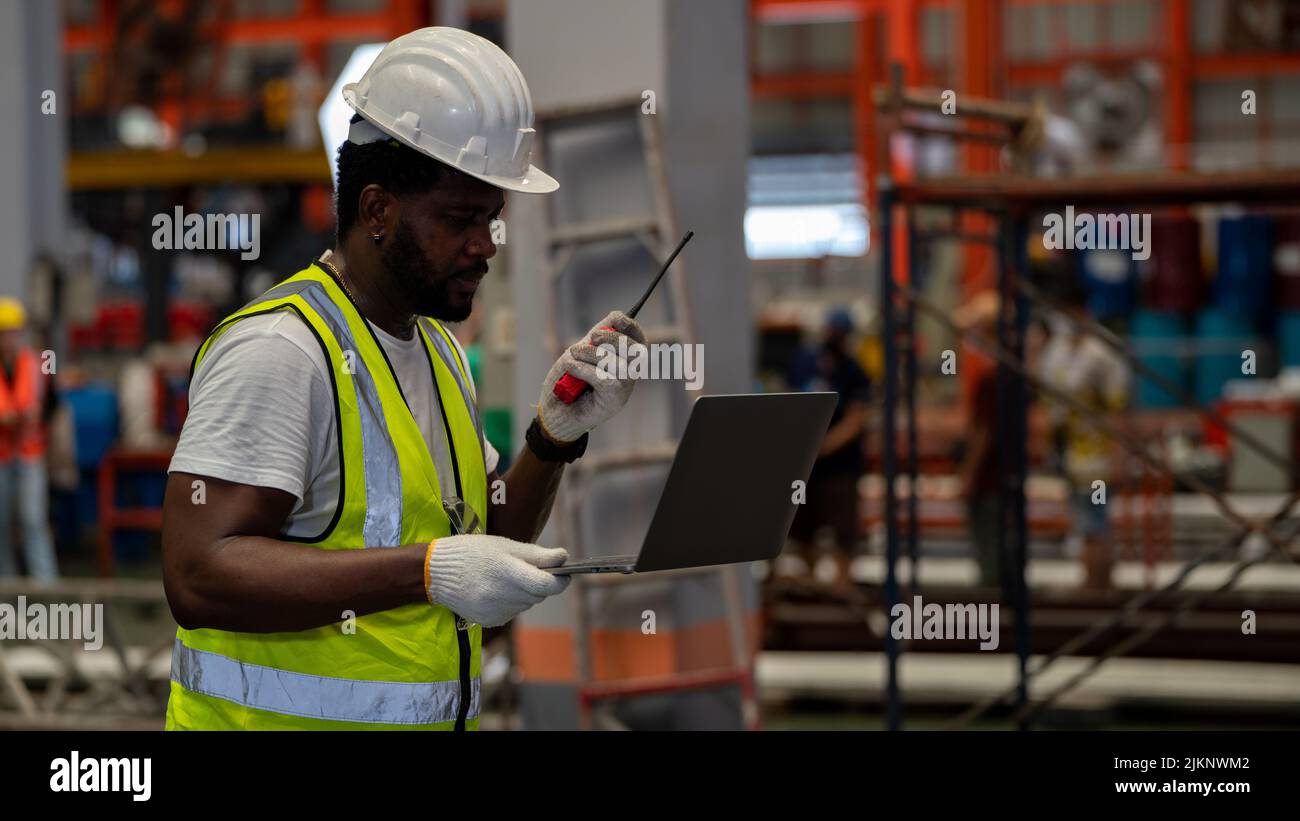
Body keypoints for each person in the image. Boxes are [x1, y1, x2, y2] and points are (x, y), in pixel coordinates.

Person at [162, 28, 646, 730]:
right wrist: (425, 570)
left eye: (492, 218)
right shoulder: (284, 350)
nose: (485, 244)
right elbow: (197, 574)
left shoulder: (439, 352)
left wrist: (553, 437)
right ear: (378, 211)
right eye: (460, 219)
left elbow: (483, 544)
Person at [1039, 282, 1129, 591]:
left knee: (1095, 524)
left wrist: (1118, 457)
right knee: (1083, 523)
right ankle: (1095, 585)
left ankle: (1097, 588)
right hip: (1068, 455)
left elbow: (1117, 411)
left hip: (1098, 460)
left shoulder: (1101, 354)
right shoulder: (1057, 353)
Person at [783, 308, 870, 592]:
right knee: (804, 524)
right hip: (806, 466)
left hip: (839, 466)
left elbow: (857, 418)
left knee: (843, 525)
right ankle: (811, 583)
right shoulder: (805, 362)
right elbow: (789, 401)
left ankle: (841, 586)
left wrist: (824, 445)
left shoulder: (854, 371)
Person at [0, 298, 57, 580]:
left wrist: (33, 416)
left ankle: (46, 588)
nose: (8, 339)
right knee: (1, 523)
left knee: (33, 520)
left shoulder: (35, 364)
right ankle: (5, 587)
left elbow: (50, 404)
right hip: (1, 456)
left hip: (29, 453)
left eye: (12, 332)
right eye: (3, 333)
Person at [954, 292, 1003, 590]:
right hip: (999, 474)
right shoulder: (1004, 373)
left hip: (990, 476)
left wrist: (968, 474)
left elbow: (984, 431)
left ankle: (993, 598)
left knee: (990, 542)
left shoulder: (993, 377)